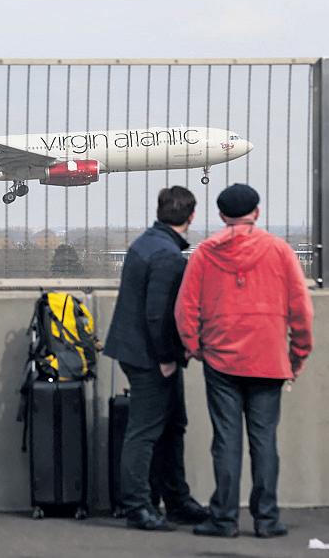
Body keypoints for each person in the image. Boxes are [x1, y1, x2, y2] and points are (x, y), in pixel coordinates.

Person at [175, 183, 313, 539]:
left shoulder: (205, 254)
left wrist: (196, 347)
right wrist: (297, 356)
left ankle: (223, 519)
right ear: (257, 212)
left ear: (221, 215)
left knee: (226, 440)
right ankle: (266, 519)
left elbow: (185, 310)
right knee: (264, 440)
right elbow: (301, 310)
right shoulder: (279, 251)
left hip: (221, 360)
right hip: (269, 358)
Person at [104, 186, 210, 531]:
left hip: (136, 350)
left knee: (171, 425)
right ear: (191, 216)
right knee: (146, 431)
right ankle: (139, 506)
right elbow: (157, 315)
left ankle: (176, 499)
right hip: (151, 356)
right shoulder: (167, 256)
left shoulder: (146, 243)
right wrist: (167, 357)